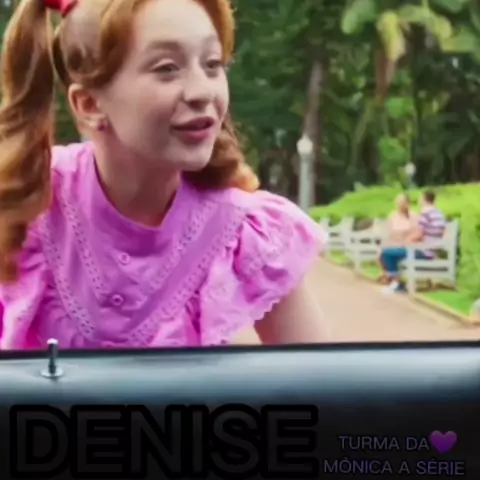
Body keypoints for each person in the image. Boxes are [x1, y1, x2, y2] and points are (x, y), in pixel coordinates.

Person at [0, 0, 329, 349]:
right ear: (90, 104)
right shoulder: (21, 204)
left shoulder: (247, 234)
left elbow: (322, 377)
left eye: (212, 64)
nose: (203, 92)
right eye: (168, 68)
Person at [380, 190, 446, 294]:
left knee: (387, 253)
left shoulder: (426, 214)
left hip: (424, 252)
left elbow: (419, 233)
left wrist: (408, 240)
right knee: (391, 252)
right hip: (430, 249)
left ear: (424, 200)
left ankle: (398, 283)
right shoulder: (438, 213)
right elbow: (442, 232)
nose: (419, 201)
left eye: (420, 199)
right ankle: (396, 282)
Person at [378, 193, 418, 282]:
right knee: (382, 252)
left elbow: (416, 233)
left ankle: (394, 279)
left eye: (402, 202)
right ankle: (390, 276)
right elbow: (389, 231)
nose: (399, 205)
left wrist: (406, 238)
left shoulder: (413, 216)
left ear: (407, 204)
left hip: (408, 246)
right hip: (394, 243)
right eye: (398, 202)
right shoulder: (393, 215)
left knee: (387, 253)